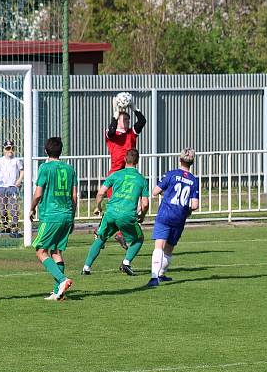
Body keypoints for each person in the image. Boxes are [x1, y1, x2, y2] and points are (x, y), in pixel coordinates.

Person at [82, 148, 149, 277]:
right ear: (137, 161)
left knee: (101, 238)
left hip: (111, 213)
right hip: (127, 215)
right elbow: (145, 203)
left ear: (125, 159)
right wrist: (142, 215)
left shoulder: (116, 174)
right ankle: (126, 262)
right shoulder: (141, 179)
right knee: (139, 239)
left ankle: (86, 267)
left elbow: (101, 192)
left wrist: (98, 207)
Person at [30, 137, 78, 301]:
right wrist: (72, 217)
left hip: (51, 215)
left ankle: (63, 280)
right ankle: (58, 291)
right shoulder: (70, 169)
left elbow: (38, 194)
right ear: (61, 151)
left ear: (46, 151)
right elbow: (74, 196)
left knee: (40, 250)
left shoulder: (45, 168)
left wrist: (31, 208)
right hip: (66, 214)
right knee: (56, 251)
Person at [147, 148, 200, 287]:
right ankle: (162, 273)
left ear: (180, 159)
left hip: (165, 214)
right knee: (169, 248)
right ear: (192, 162)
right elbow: (195, 205)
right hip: (179, 217)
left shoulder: (171, 174)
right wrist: (186, 211)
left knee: (159, 245)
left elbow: (155, 191)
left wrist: (166, 191)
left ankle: (154, 277)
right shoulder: (194, 180)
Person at [104, 96, 146, 250]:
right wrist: (116, 112)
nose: (127, 121)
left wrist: (134, 107)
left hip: (129, 176)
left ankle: (118, 234)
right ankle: (102, 233)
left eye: (128, 119)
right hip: (116, 177)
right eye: (125, 119)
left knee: (129, 208)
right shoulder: (112, 134)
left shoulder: (131, 134)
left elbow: (142, 121)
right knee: (115, 209)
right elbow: (112, 129)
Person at [0, 139, 24, 236]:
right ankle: (5, 226)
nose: (10, 150)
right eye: (8, 148)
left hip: (12, 186)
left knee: (13, 207)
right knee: (2, 208)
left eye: (12, 148)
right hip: (2, 187)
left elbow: (22, 171)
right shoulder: (0, 160)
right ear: (4, 150)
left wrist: (19, 180)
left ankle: (15, 227)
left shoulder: (16, 160)